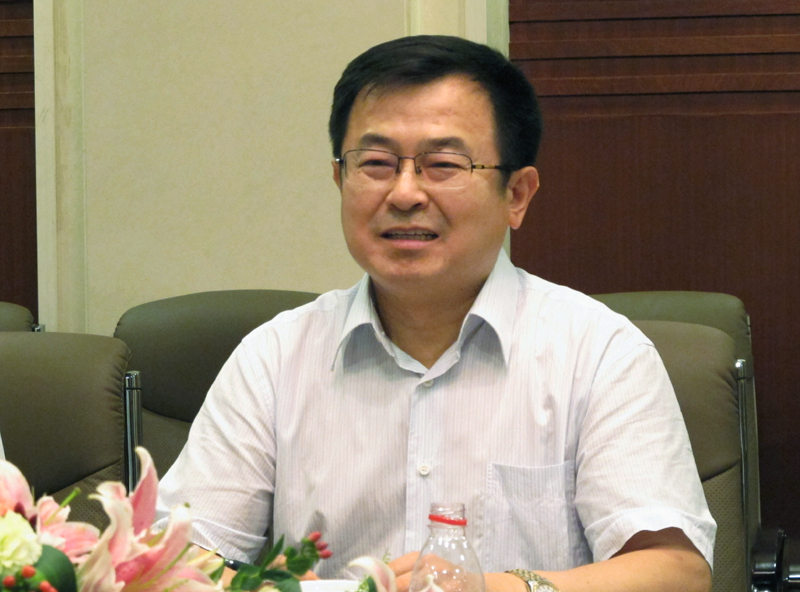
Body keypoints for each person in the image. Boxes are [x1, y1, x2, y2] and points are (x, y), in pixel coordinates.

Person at [157, 35, 715, 592]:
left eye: (443, 164)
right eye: (376, 163)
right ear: (340, 179)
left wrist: (501, 589)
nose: (404, 194)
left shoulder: (599, 354)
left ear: (517, 194)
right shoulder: (274, 358)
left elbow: (676, 572)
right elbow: (165, 566)